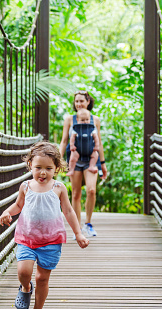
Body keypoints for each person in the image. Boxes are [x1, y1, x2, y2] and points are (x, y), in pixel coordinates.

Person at [0, 141, 89, 309]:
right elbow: (18, 205)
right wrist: (7, 212)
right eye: (38, 167)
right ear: (30, 164)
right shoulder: (25, 186)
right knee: (24, 272)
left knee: (42, 278)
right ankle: (26, 287)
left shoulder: (58, 188)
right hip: (27, 237)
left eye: (48, 168)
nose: (42, 172)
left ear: (56, 168)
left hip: (51, 240)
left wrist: (78, 233)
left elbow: (69, 211)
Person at [59, 90, 107, 237]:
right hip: (75, 160)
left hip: (91, 159)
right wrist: (58, 160)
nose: (79, 104)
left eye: (81, 101)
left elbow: (99, 141)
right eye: (76, 101)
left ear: (88, 102)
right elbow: (64, 141)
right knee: (75, 194)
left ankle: (88, 224)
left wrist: (103, 163)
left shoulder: (95, 120)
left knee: (91, 190)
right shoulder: (70, 120)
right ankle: (77, 228)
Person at [66, 108, 99, 177]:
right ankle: (71, 170)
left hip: (90, 150)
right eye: (82, 120)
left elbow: (96, 138)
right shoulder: (76, 128)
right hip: (77, 150)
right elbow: (72, 138)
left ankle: (92, 166)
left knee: (95, 155)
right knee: (72, 158)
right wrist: (72, 145)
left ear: (90, 119)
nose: (85, 122)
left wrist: (96, 146)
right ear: (77, 120)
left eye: (87, 120)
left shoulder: (91, 128)